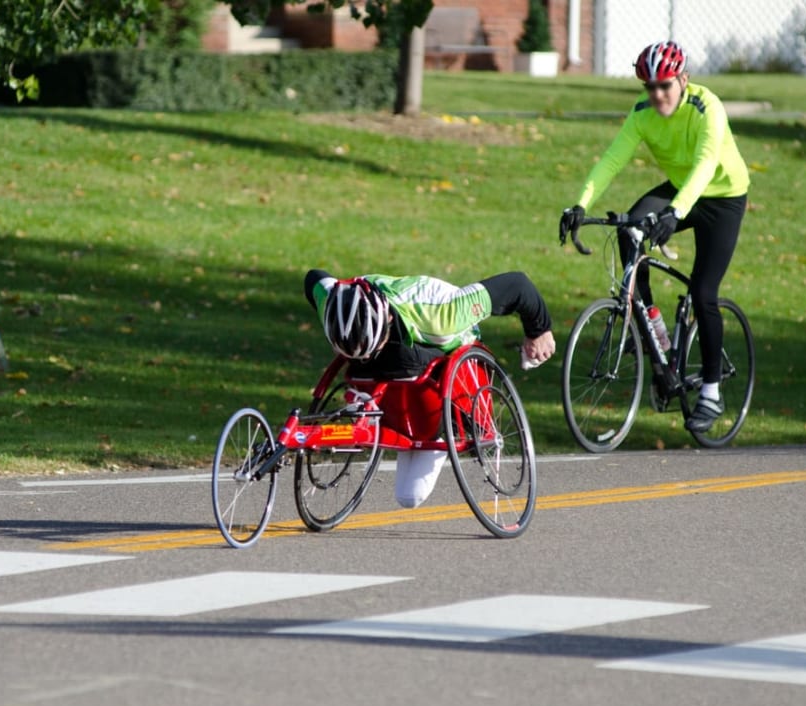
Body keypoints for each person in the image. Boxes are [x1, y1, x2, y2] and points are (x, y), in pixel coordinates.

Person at [558, 40, 750, 433]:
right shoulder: (643, 114)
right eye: (650, 87)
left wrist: (674, 214)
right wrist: (579, 204)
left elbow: (705, 163)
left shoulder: (706, 107)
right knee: (629, 231)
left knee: (704, 293)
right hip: (680, 189)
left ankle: (711, 391)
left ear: (683, 79)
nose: (658, 94)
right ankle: (654, 327)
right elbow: (612, 159)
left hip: (723, 197)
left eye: (665, 85)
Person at [304, 269, 555, 509]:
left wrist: (539, 330)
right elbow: (313, 278)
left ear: (388, 320)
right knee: (407, 498)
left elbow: (518, 285)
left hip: (439, 355)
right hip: (394, 356)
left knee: (411, 495)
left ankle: (435, 429)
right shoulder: (331, 299)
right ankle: (392, 414)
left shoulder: (446, 311)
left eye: (371, 349)